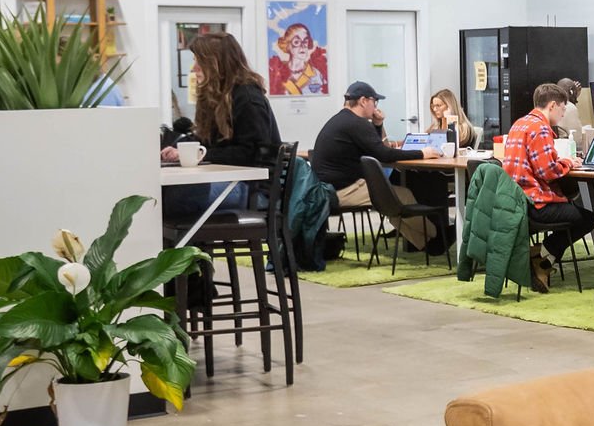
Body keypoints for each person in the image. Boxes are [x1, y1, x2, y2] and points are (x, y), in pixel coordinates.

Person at [311, 80, 443, 253]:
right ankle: (438, 236)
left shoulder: (342, 120)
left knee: (395, 200)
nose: (375, 106)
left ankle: (428, 244)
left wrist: (378, 125)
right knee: (400, 197)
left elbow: (373, 148)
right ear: (364, 101)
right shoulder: (356, 123)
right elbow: (384, 154)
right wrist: (422, 153)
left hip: (328, 189)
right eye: (375, 102)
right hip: (341, 191)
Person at [161, 33, 279, 221]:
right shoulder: (220, 97)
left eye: (199, 61)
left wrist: (203, 154)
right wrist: (181, 149)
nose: (194, 68)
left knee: (171, 198)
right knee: (162, 195)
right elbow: (208, 140)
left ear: (216, 63)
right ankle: (183, 247)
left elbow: (253, 153)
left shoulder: (248, 98)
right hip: (233, 183)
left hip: (251, 189)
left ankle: (182, 247)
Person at [499, 83, 594, 292]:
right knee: (588, 218)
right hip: (535, 203)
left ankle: (542, 260)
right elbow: (547, 171)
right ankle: (541, 255)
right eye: (563, 109)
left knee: (573, 212)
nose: (563, 115)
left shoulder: (519, 124)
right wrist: (569, 162)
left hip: (515, 201)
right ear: (553, 105)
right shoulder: (541, 128)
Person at [268, 22, 328, 96]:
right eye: (296, 42)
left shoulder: (316, 74)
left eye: (305, 41)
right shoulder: (277, 74)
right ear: (287, 45)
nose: (302, 46)